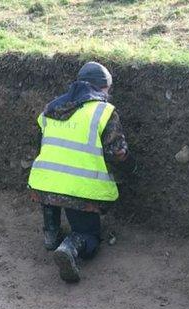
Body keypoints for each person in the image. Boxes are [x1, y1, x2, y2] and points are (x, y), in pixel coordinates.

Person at [27, 61, 132, 282]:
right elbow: (117, 154)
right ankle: (71, 246)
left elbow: (42, 146)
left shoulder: (50, 108)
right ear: (101, 87)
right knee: (90, 236)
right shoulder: (103, 111)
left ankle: (51, 233)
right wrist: (131, 168)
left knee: (52, 189)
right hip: (80, 191)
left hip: (43, 184)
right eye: (108, 89)